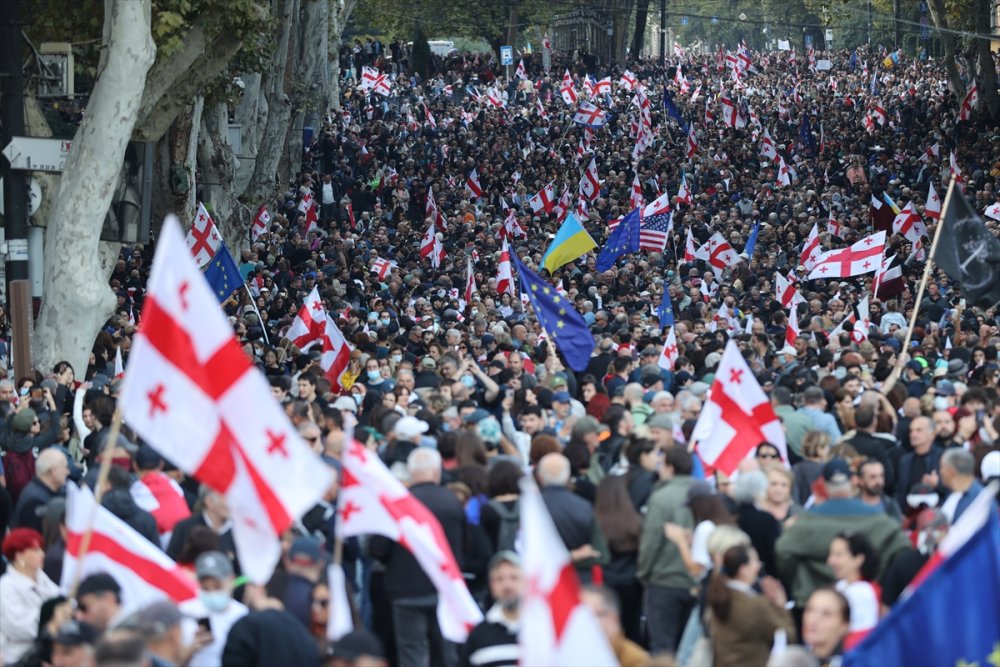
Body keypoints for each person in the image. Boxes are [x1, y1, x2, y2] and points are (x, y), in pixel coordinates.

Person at [369, 448, 465, 667]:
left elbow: (379, 548)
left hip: (406, 590)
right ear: (436, 472)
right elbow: (464, 545)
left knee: (412, 654)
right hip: (444, 588)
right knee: (446, 653)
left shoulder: (398, 505)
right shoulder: (451, 501)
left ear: (411, 473)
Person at [776, 459, 910, 607]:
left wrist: (804, 577)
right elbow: (902, 547)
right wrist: (878, 577)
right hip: (866, 600)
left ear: (824, 485)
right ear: (852, 481)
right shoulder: (881, 521)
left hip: (814, 601)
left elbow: (783, 552)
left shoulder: (805, 521)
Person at [638, 446, 697, 654]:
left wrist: (644, 572)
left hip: (664, 580)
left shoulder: (661, 496)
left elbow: (651, 541)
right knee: (689, 650)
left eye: (662, 465)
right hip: (695, 580)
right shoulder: (705, 493)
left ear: (670, 467)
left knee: (662, 647)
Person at [705, 545, 796, 667]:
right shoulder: (754, 605)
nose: (759, 565)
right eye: (755, 561)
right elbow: (788, 635)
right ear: (743, 569)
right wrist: (781, 607)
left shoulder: (718, 598)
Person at [593, 475, 644, 644]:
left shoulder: (595, 522)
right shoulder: (635, 522)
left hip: (605, 581)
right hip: (632, 582)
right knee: (632, 629)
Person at [0, 528, 61, 664]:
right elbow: (21, 627)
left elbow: (60, 599)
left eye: (41, 549)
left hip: (49, 651)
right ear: (19, 555)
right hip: (20, 658)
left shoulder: (41, 577)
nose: (42, 554)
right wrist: (54, 621)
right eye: (35, 550)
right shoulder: (6, 586)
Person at [179, 551, 249, 666]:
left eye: (217, 586)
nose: (212, 592)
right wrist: (191, 649)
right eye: (205, 588)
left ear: (231, 579)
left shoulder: (243, 616)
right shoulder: (184, 612)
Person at [458, 551, 520, 667]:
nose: (507, 585)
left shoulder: (545, 629)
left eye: (514, 577)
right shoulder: (478, 636)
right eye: (499, 579)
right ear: (491, 584)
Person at [826, 532, 880, 648]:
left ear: (858, 559)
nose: (831, 561)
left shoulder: (864, 592)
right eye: (831, 554)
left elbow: (861, 638)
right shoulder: (840, 586)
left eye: (838, 555)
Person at [579, 584, 649, 667]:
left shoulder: (638, 661)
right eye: (580, 616)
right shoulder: (570, 654)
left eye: (595, 615)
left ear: (614, 616)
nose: (585, 621)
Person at [10, 448, 69, 533]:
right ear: (53, 471)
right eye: (65, 467)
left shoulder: (42, 491)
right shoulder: (35, 502)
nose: (68, 472)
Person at [800, 588, 851, 665]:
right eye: (810, 610)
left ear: (844, 625)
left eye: (826, 614)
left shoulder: (855, 663)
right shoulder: (796, 659)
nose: (813, 619)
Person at [939, 448, 987, 523]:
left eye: (942, 467)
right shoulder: (954, 493)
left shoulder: (977, 500)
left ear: (951, 471)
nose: (940, 472)